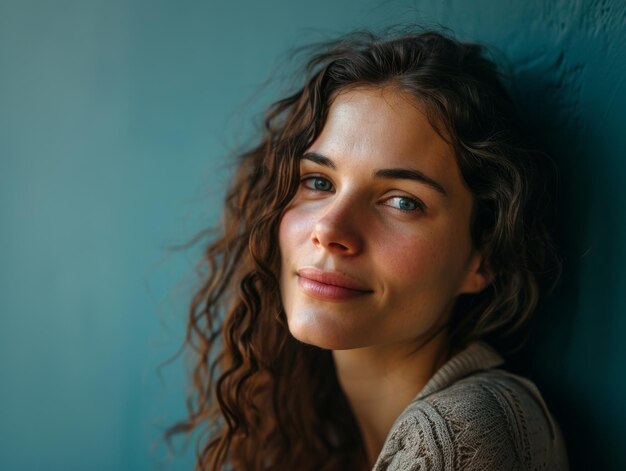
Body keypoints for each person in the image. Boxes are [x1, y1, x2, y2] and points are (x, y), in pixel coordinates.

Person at [167, 28, 569, 470]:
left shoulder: (461, 436)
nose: (330, 228)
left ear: (484, 257)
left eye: (402, 202)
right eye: (318, 183)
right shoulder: (326, 431)